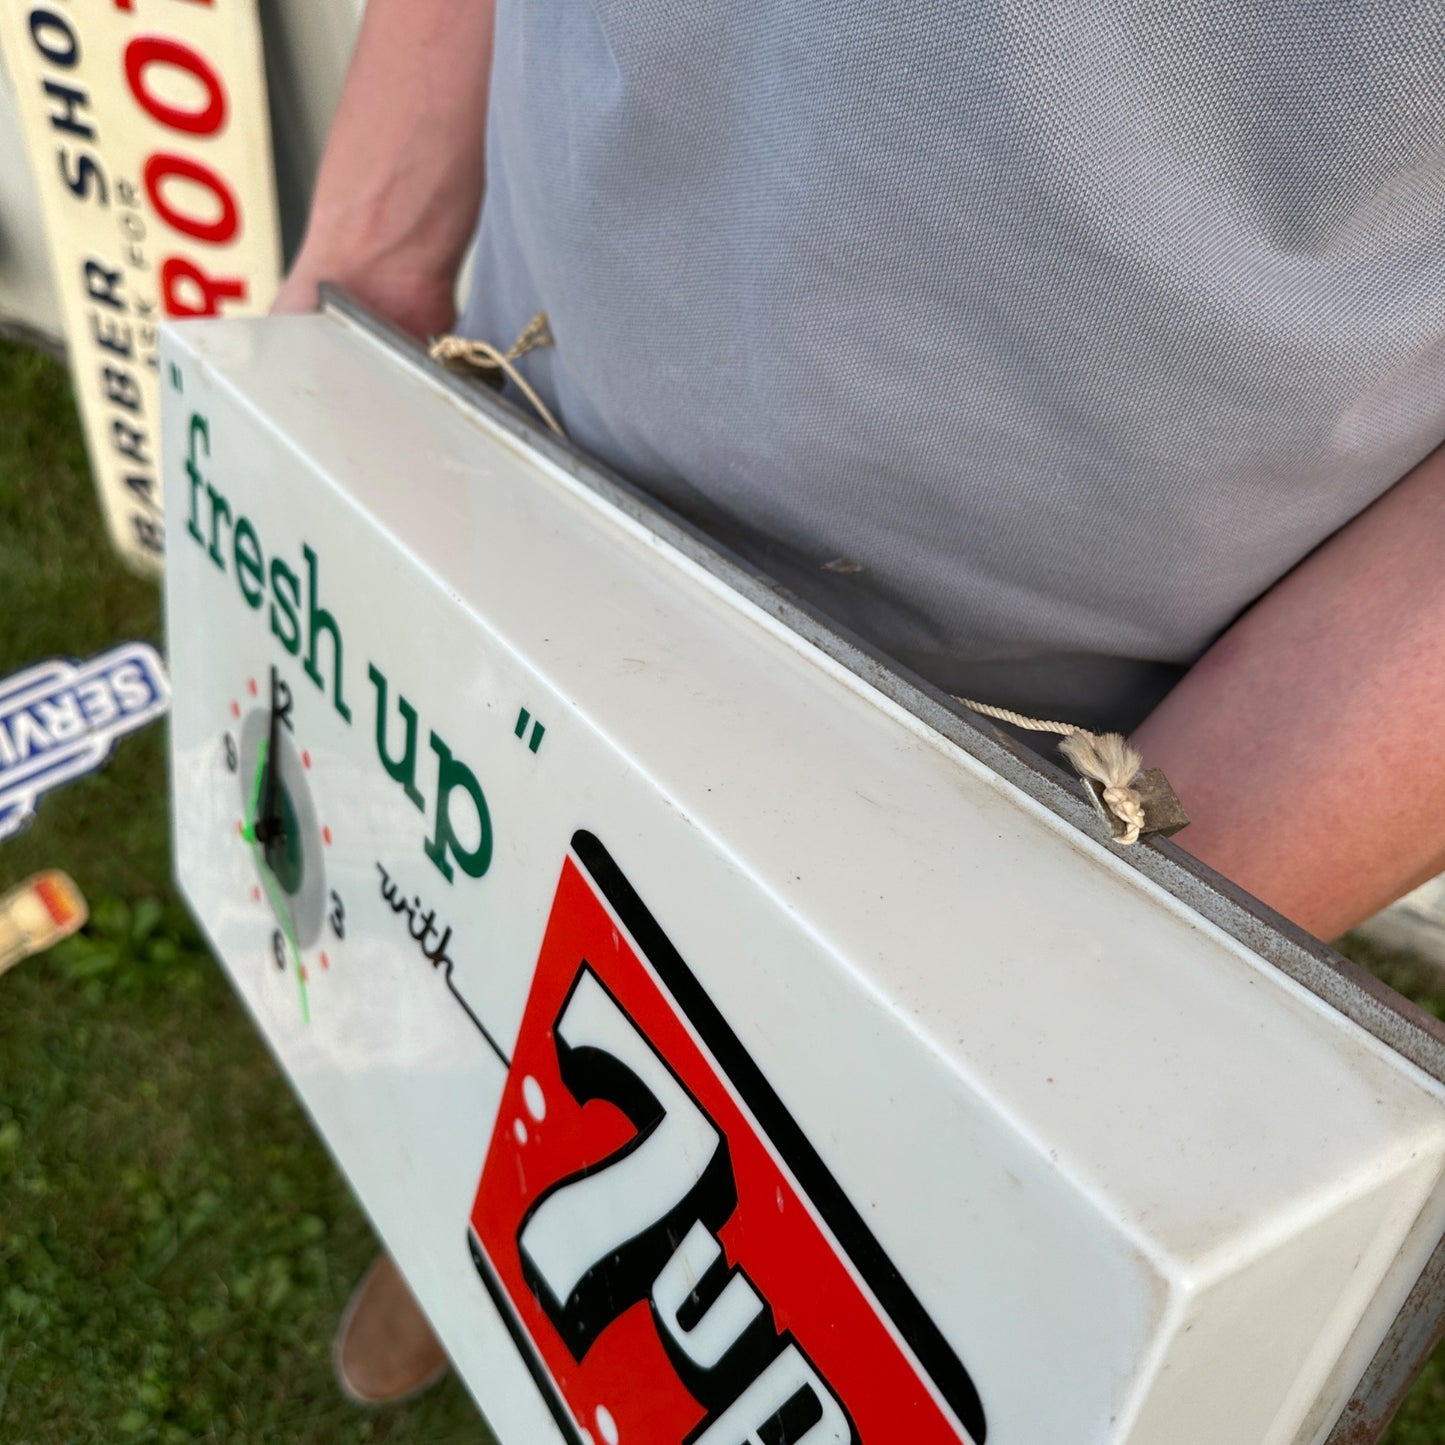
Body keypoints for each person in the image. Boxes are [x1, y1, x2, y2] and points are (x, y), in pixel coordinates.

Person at [273, 0, 1445, 1405]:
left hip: (1019, 737)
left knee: (746, 1225)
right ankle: (444, 1226)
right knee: (462, 929)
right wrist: (369, 256)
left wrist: (1132, 925)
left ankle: (545, 1276)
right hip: (537, 419)